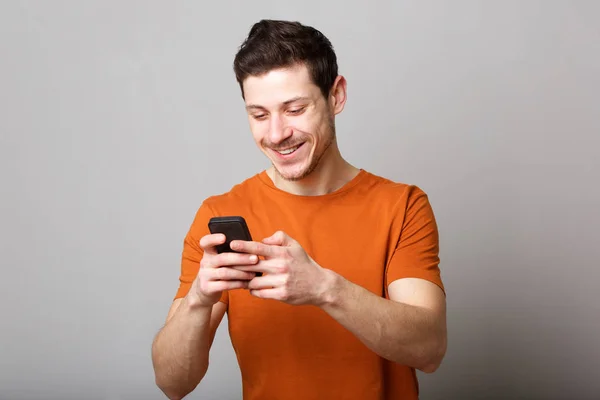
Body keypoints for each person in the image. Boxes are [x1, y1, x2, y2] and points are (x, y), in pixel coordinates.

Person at [151, 19, 447, 400]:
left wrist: (324, 288)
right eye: (259, 115)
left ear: (336, 96)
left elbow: (430, 349)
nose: (276, 134)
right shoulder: (219, 214)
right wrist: (197, 300)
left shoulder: (402, 206)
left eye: (294, 109)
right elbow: (171, 383)